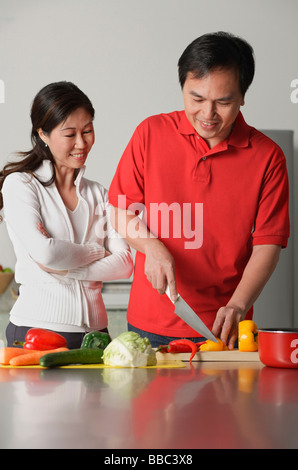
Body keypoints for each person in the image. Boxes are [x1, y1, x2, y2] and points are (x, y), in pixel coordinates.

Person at [108, 31, 290, 349]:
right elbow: (121, 210)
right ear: (182, 88)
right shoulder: (149, 133)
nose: (208, 115)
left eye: (223, 102)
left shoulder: (268, 157)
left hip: (225, 327)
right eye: (196, 99)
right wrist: (151, 246)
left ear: (243, 95)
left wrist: (237, 304)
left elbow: (268, 245)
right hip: (148, 324)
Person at [0, 81, 133, 349]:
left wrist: (66, 267)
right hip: (35, 331)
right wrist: (97, 251)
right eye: (70, 134)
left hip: (96, 336)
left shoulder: (100, 194)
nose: (81, 143)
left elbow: (125, 263)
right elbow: (46, 254)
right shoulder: (21, 185)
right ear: (43, 134)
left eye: (88, 131)